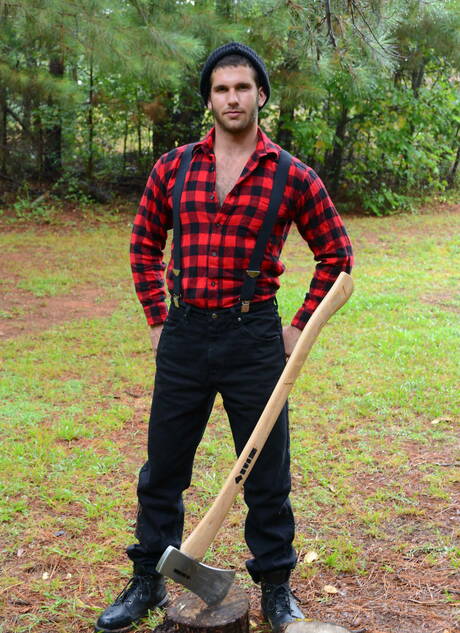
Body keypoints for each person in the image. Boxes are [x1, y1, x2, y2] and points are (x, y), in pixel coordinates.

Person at [95, 42, 353, 633]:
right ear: (209, 99)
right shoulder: (174, 167)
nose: (232, 98)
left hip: (253, 337)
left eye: (242, 87)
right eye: (221, 89)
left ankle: (276, 588)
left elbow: (337, 255)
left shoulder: (292, 175)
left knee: (267, 473)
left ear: (260, 95)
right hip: (184, 333)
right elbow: (143, 242)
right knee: (164, 466)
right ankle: (148, 579)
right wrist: (157, 318)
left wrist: (296, 327)